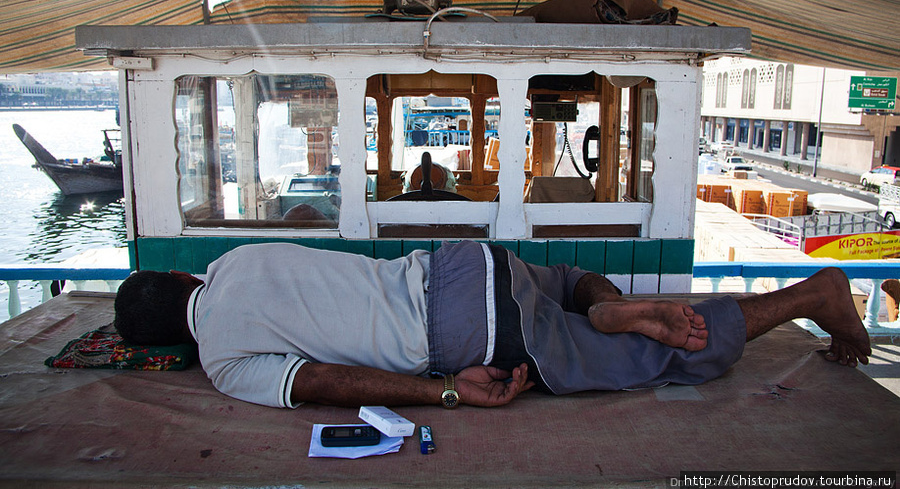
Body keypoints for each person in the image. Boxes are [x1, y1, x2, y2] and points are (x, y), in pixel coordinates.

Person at [113, 241, 870, 410]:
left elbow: (322, 381)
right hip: (465, 264)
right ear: (184, 280)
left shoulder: (223, 360)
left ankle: (814, 295)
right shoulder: (235, 259)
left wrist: (445, 394)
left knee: (666, 354)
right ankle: (597, 302)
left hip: (469, 332)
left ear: (168, 347)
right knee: (571, 285)